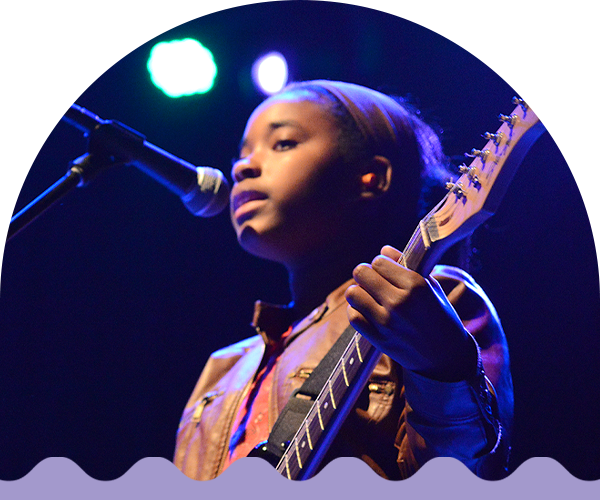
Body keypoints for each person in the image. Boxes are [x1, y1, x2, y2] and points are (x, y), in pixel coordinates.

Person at [173, 80, 513, 480]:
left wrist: (443, 369)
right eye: (242, 153)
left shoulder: (435, 299)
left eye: (282, 143)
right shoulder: (224, 368)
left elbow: (458, 477)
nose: (241, 166)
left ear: (371, 178)